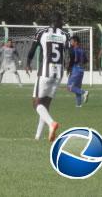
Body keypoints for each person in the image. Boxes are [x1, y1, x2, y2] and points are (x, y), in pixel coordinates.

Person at [26, 12, 68, 142]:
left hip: (45, 72)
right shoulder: (65, 35)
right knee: (45, 105)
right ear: (59, 21)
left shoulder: (41, 32)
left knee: (36, 103)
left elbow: (32, 49)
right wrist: (70, 67)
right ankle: (38, 136)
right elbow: (70, 53)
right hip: (58, 73)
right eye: (62, 21)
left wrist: (27, 63)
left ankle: (51, 124)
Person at [66, 35, 89, 107]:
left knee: (70, 87)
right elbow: (86, 61)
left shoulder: (74, 49)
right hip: (81, 70)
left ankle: (84, 92)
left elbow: (74, 60)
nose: (70, 42)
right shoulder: (82, 50)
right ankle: (78, 104)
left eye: (72, 41)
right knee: (77, 88)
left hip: (75, 69)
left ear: (76, 42)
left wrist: (69, 68)